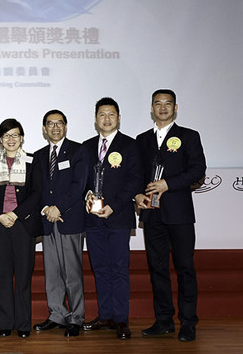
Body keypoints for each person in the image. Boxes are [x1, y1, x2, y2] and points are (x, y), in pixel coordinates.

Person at [135, 89, 206, 342]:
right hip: (152, 216)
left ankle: (188, 322)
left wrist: (168, 184)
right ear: (151, 108)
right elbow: (135, 175)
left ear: (175, 108)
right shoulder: (141, 140)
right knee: (157, 269)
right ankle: (164, 320)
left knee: (185, 268)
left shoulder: (188, 136)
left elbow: (198, 170)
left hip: (180, 215)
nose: (163, 107)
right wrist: (136, 195)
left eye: (168, 104)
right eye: (158, 103)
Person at [82, 98, 141, 340]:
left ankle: (121, 319)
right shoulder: (85, 147)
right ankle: (105, 315)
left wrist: (113, 207)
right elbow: (81, 178)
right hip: (93, 219)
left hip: (117, 218)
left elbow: (134, 181)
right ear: (95, 119)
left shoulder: (130, 145)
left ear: (118, 118)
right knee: (100, 269)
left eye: (111, 114)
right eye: (102, 114)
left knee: (118, 269)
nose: (106, 119)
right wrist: (85, 193)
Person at [32, 110, 89, 337]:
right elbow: (36, 188)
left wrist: (59, 208)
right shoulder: (38, 155)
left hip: (69, 219)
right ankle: (57, 314)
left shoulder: (78, 150)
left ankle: (76, 317)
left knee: (72, 271)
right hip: (47, 221)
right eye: (50, 124)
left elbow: (79, 184)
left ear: (66, 126)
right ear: (44, 129)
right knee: (52, 271)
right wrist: (46, 209)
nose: (55, 127)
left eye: (59, 123)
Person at [0, 118, 41, 338]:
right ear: (0, 139)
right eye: (6, 135)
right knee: (3, 275)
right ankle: (5, 323)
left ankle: (24, 323)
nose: (11, 139)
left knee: (24, 276)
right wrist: (0, 214)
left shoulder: (32, 160)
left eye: (15, 135)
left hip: (22, 224)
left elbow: (36, 193)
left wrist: (15, 215)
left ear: (22, 138)